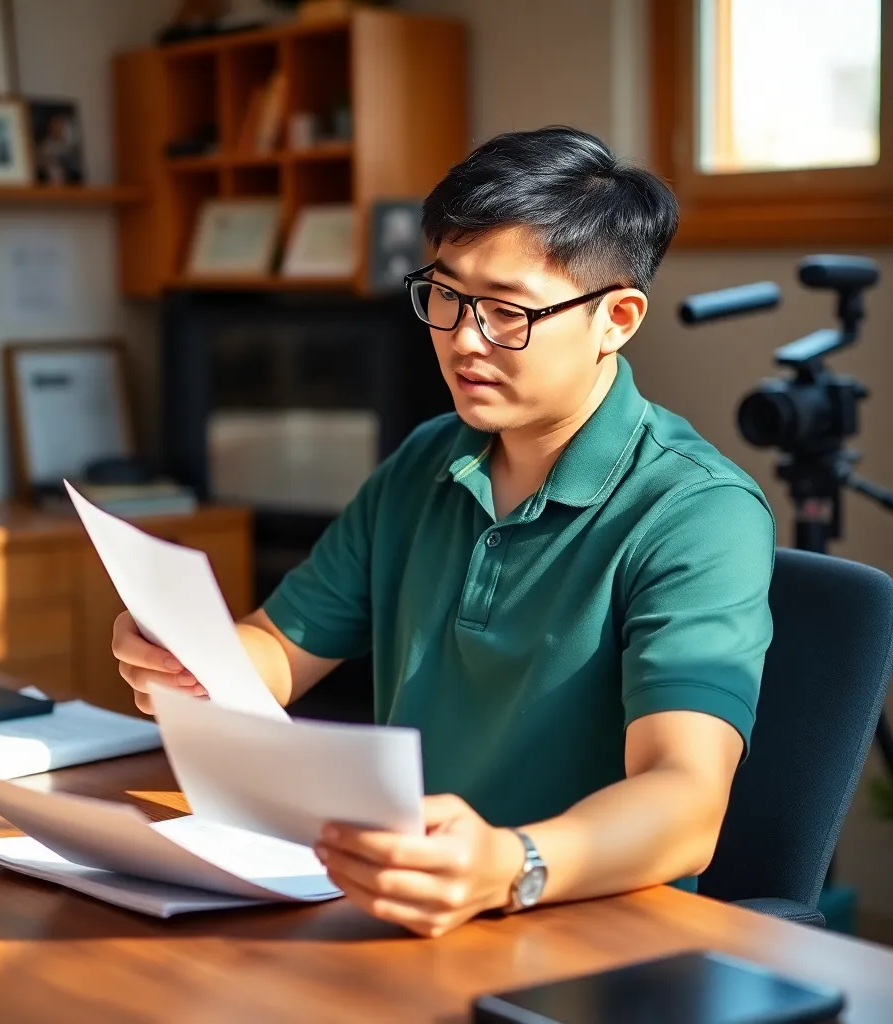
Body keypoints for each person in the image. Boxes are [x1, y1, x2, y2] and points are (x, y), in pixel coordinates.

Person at [112, 126, 775, 937]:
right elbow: (280, 650)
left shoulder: (697, 512)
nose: (464, 340)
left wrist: (513, 863)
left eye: (507, 312)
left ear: (618, 318)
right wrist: (191, 661)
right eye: (447, 296)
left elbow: (686, 796)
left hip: (585, 931)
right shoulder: (428, 459)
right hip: (396, 900)